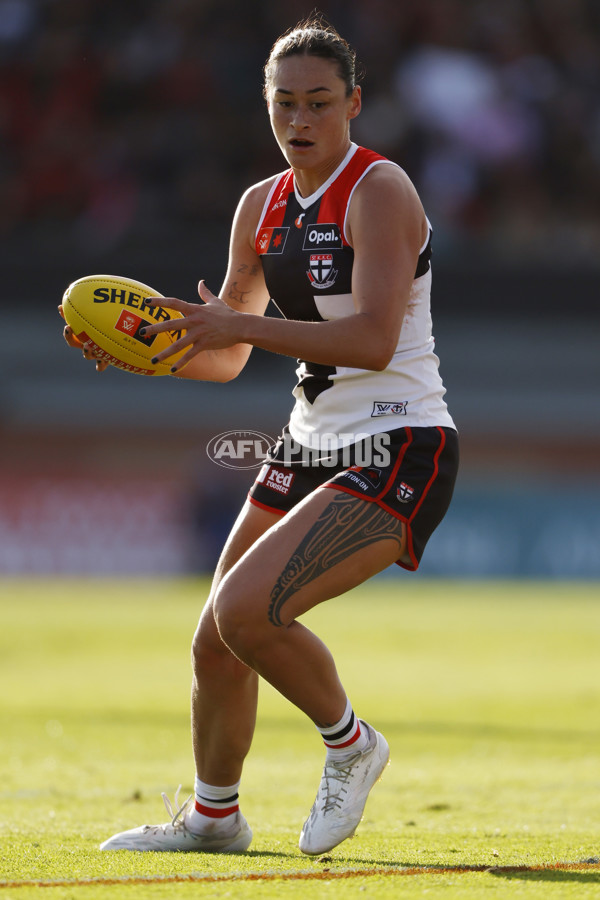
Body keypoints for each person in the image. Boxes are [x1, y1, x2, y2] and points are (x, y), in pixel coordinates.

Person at [61, 17, 459, 856]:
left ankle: (352, 744)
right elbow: (230, 351)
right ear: (267, 108)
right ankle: (214, 818)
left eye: (320, 102)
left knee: (248, 611)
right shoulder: (260, 206)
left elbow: (373, 340)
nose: (301, 120)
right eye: (286, 103)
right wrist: (150, 352)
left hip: (398, 445)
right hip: (307, 445)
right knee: (216, 635)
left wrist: (224, 327)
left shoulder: (379, 189)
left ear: (354, 103)